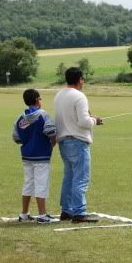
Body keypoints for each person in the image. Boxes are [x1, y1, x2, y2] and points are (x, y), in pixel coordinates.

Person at [54, 67, 102, 223]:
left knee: (69, 177)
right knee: (80, 178)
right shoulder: (79, 96)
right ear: (79, 79)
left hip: (63, 141)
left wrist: (90, 118)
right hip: (78, 141)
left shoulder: (59, 95)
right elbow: (84, 121)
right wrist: (95, 120)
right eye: (83, 79)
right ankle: (79, 212)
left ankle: (66, 210)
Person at [12, 88, 58, 223]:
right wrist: (52, 143)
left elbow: (16, 137)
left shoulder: (20, 118)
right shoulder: (43, 115)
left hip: (27, 156)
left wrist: (27, 142)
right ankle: (42, 215)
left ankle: (24, 214)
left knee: (28, 183)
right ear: (37, 99)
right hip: (42, 156)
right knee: (41, 184)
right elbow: (51, 132)